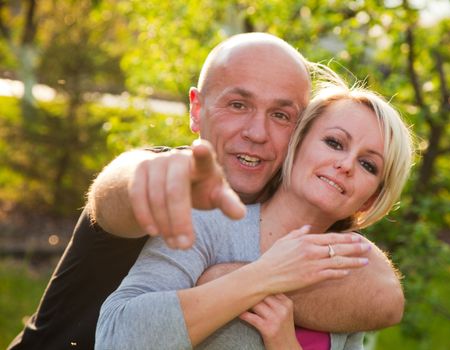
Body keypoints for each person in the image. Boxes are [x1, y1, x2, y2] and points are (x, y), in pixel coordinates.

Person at [9, 33, 403, 350]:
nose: (257, 132)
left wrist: (244, 283)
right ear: (196, 110)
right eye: (237, 104)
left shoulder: (341, 256)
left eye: (281, 115)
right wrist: (142, 179)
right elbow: (118, 193)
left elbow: (388, 299)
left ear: (296, 133)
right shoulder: (180, 184)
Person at [95, 80, 414, 349]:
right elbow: (115, 337)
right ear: (296, 143)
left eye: (368, 165)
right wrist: (265, 275)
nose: (346, 165)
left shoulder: (346, 268)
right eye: (334, 143)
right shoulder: (207, 221)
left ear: (369, 199)